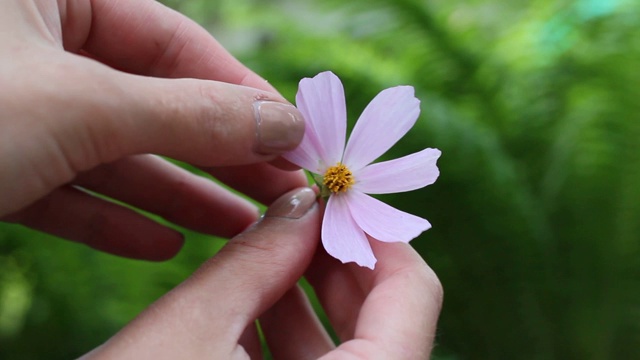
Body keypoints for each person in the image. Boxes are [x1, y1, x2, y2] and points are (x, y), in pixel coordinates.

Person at [0, 0, 443, 358]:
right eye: (335, 176)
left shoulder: (343, 187)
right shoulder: (320, 167)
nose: (335, 178)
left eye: (338, 179)